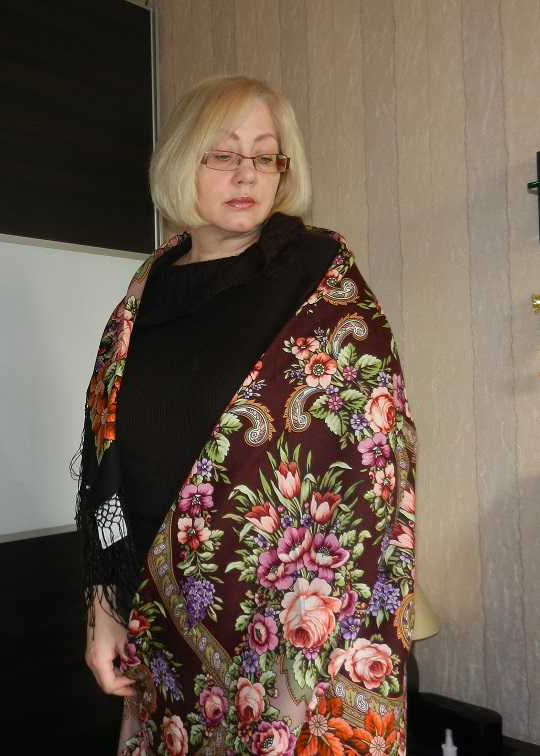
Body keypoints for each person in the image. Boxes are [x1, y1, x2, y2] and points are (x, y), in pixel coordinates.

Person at [75, 75, 417, 756]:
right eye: (224, 154)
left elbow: (375, 453)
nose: (247, 174)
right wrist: (102, 606)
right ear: (182, 161)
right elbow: (105, 461)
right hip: (161, 622)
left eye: (266, 156)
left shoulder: (319, 277)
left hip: (292, 629)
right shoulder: (145, 291)